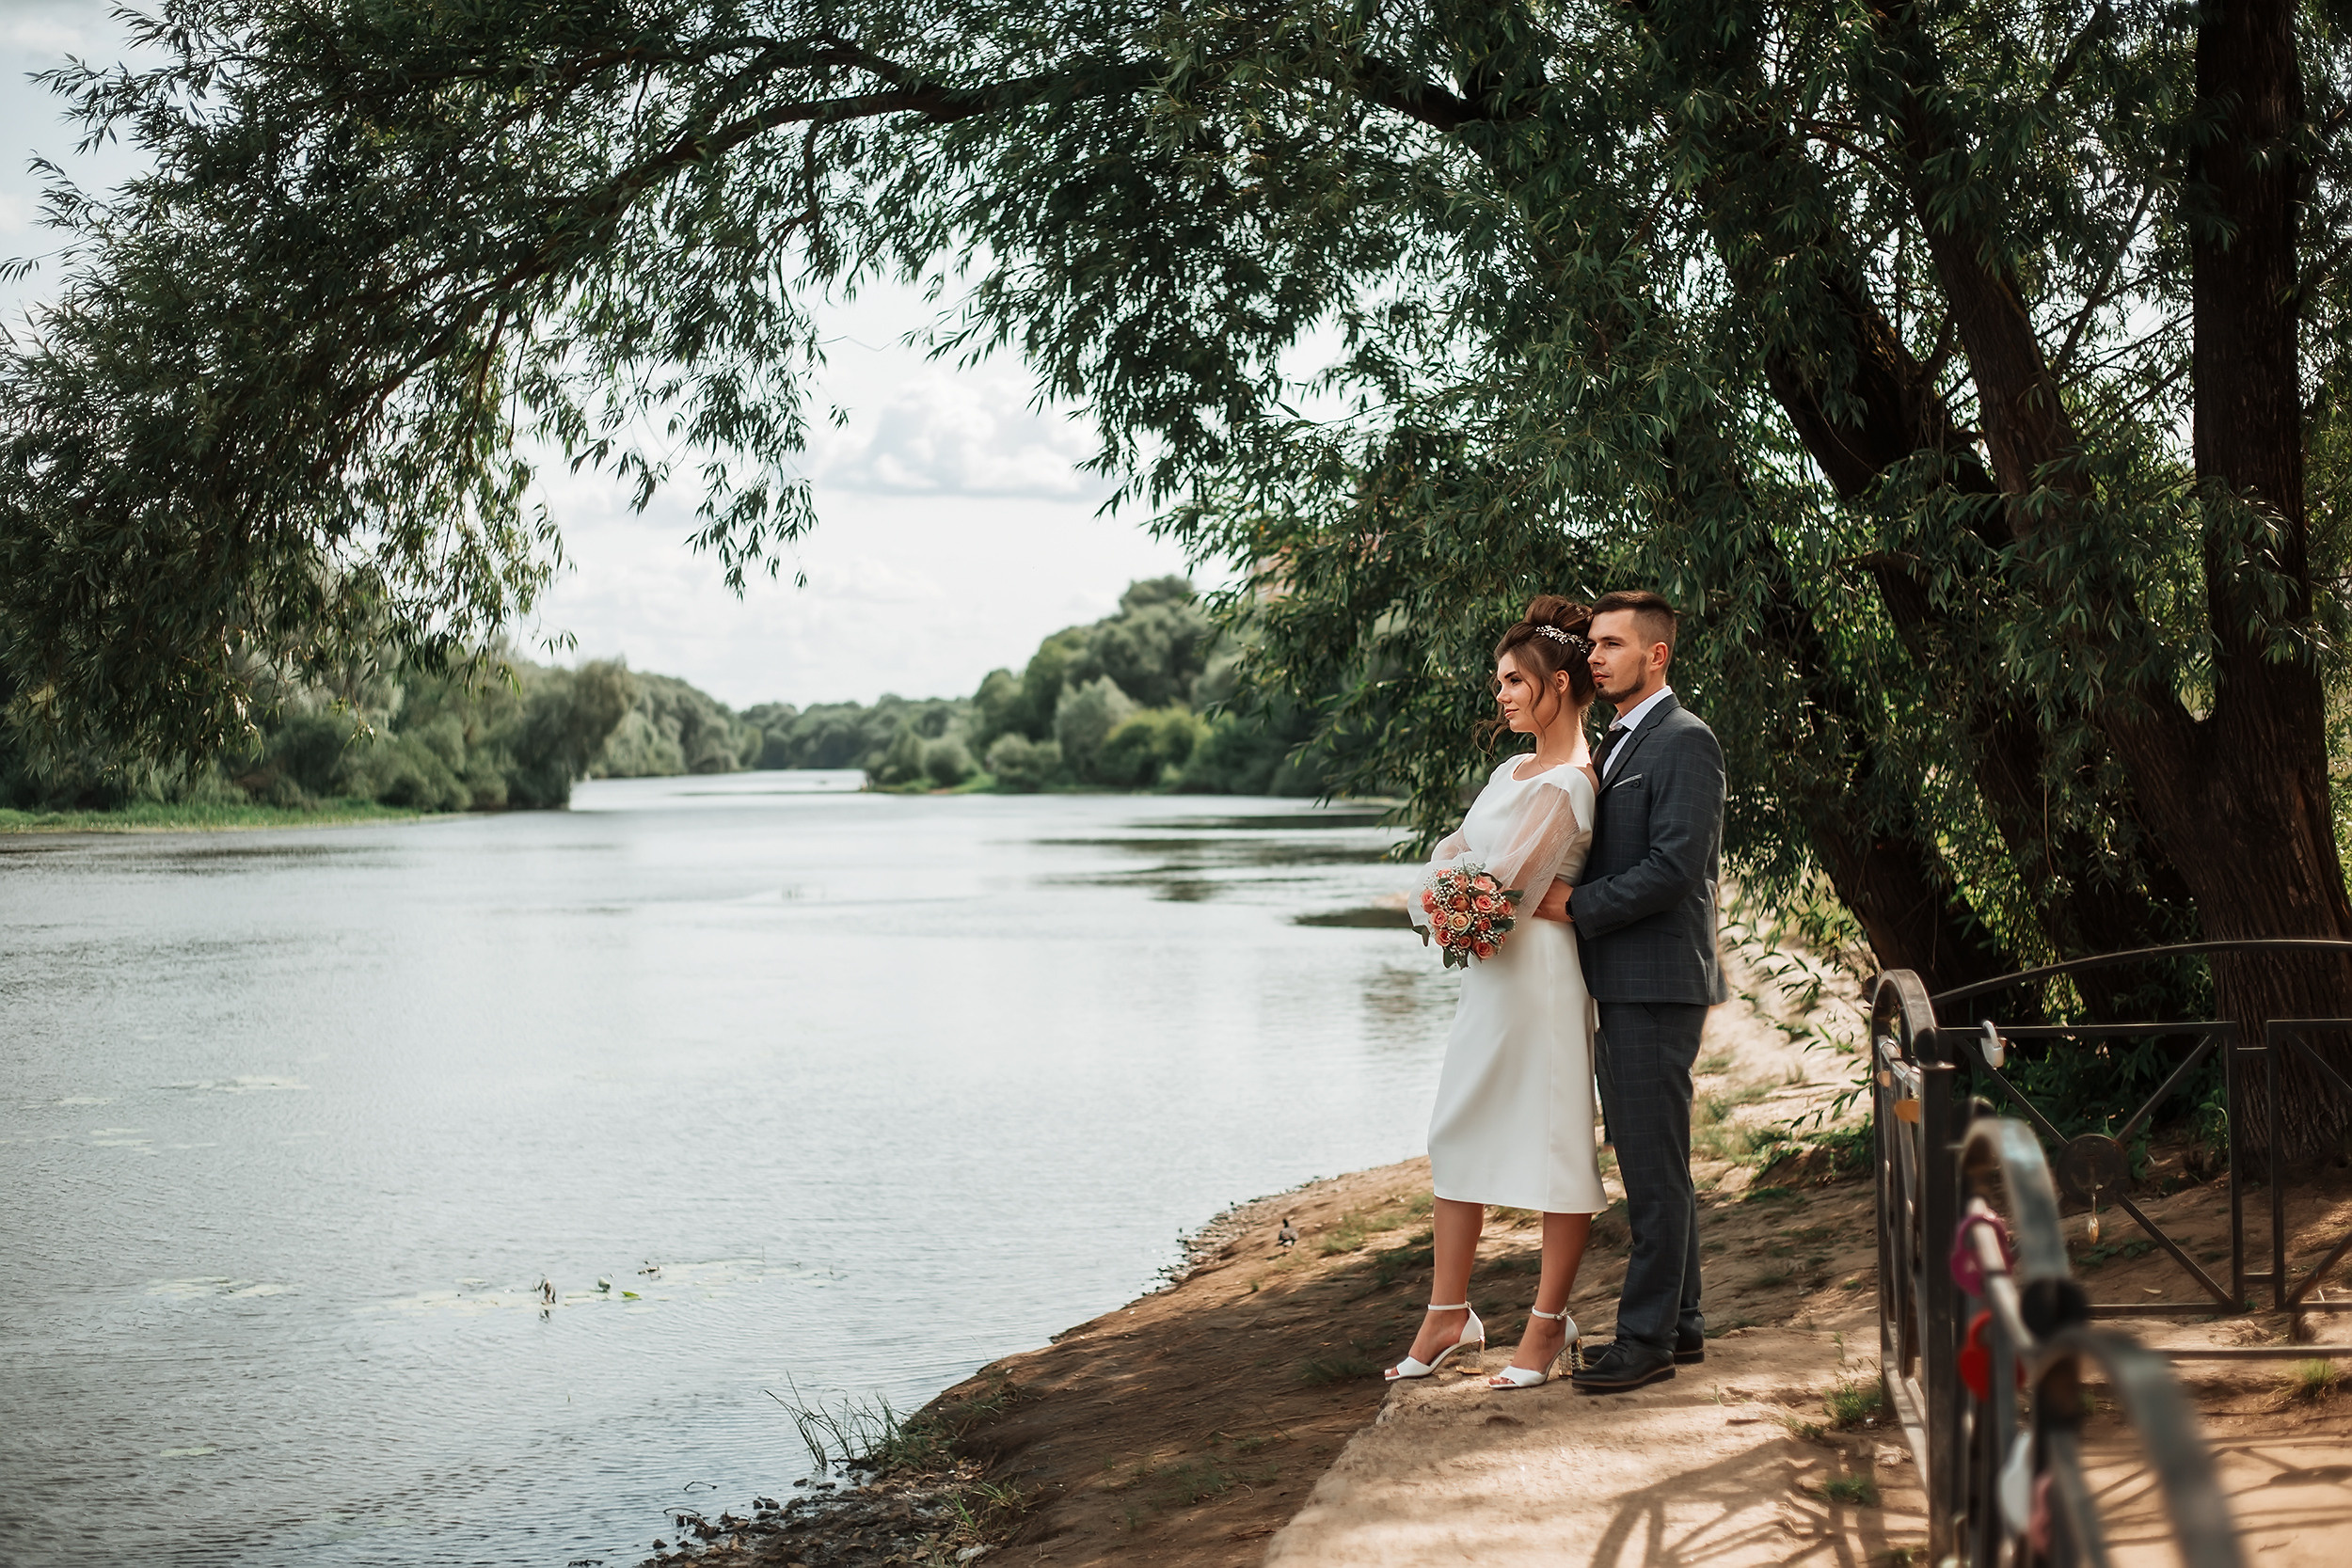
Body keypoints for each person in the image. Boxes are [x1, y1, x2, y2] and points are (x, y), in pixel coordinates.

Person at [1391, 596, 1606, 1391]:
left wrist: (1450, 887)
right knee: (1457, 1131)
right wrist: (1447, 885)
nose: (1504, 695)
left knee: (1554, 1145)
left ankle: (1547, 1324)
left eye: (1516, 680)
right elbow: (1454, 855)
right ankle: (1450, 1313)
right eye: (1498, 682)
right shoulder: (1507, 772)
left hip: (1541, 978)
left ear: (1559, 683)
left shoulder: (1572, 784)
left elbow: (1501, 885)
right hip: (1489, 981)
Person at [1528, 588, 1726, 1394]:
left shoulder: (1684, 741)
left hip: (1655, 977)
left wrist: (1578, 906)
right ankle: (1680, 1324)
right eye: (1594, 644)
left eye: (1612, 644)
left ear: (1658, 655)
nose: (1596, 656)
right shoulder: (1619, 740)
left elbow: (1677, 867)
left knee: (1649, 1165)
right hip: (1630, 976)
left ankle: (1644, 1341)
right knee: (1657, 1159)